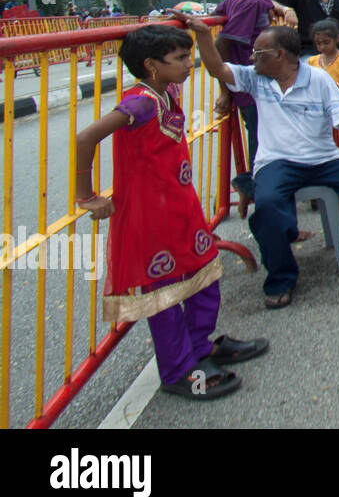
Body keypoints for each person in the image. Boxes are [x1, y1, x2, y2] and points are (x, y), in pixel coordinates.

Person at [73, 25, 268, 400]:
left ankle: (200, 346)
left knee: (204, 275)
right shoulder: (139, 103)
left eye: (186, 55)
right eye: (179, 59)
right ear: (150, 66)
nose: (188, 64)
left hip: (179, 206)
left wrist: (195, 32)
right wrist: (88, 196)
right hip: (149, 215)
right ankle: (178, 371)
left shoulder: (166, 89)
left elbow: (206, 64)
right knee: (165, 296)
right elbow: (86, 137)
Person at [180, 16, 339, 309]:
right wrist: (203, 34)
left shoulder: (318, 79)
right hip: (276, 163)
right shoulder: (255, 78)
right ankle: (282, 277)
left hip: (323, 159)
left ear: (280, 55)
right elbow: (217, 68)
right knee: (266, 208)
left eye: (258, 53)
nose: (252, 58)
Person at [212, 0, 297, 209]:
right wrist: (226, 90)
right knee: (266, 151)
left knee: (265, 147)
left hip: (250, 87)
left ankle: (259, 193)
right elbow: (221, 44)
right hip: (250, 88)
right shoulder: (252, 2)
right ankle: (258, 195)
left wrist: (284, 7)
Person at [308, 19, 339, 159]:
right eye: (318, 43)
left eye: (326, 42)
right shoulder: (312, 61)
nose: (322, 47)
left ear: (337, 39)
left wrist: (336, 85)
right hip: (321, 104)